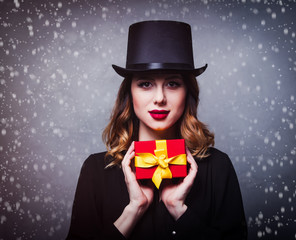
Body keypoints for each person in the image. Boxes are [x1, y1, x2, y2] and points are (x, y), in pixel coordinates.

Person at [66, 20, 247, 240]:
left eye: (172, 84)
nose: (160, 98)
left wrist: (179, 209)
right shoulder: (96, 170)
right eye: (145, 84)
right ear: (129, 94)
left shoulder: (218, 167)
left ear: (187, 92)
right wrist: (133, 210)